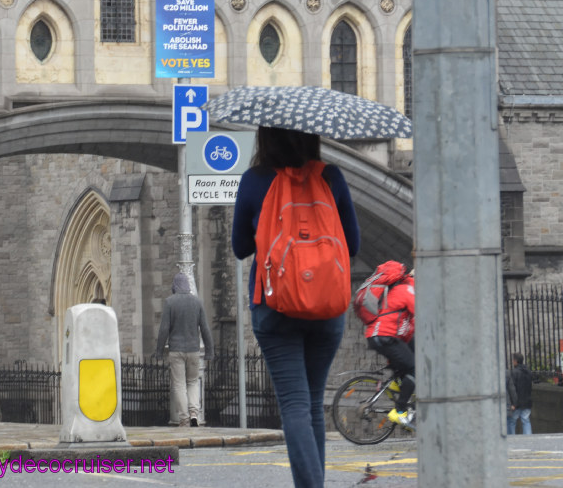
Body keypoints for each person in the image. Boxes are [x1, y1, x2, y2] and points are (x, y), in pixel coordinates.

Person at [231, 126, 360, 488]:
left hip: (275, 307)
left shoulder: (256, 180)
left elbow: (240, 247)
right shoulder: (331, 177)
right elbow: (352, 244)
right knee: (312, 403)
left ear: (266, 137)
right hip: (327, 309)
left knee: (294, 406)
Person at [154, 271, 214, 427]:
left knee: (179, 384)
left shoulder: (170, 302)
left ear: (175, 286)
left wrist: (159, 350)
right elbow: (205, 328)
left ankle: (184, 418)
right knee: (193, 382)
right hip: (194, 350)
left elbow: (164, 329)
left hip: (176, 350)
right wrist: (209, 350)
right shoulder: (197, 302)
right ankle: (195, 413)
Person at [362, 260, 416, 429]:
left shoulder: (394, 290)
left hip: (378, 336)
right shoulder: (407, 290)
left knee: (407, 364)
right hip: (386, 337)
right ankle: (400, 411)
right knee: (415, 370)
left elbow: (410, 324)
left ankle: (397, 386)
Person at [507, 352, 534, 434]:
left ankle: (512, 438)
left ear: (516, 361)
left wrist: (514, 403)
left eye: (513, 360)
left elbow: (512, 389)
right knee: (526, 420)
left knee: (511, 421)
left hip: (517, 402)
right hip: (527, 401)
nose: (512, 362)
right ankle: (529, 439)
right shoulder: (528, 371)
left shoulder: (514, 372)